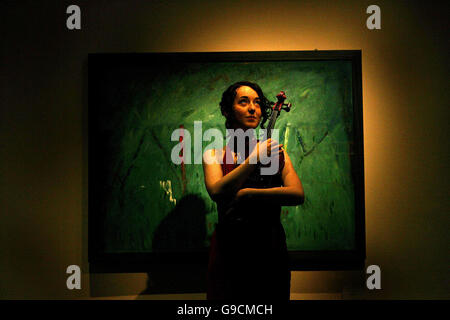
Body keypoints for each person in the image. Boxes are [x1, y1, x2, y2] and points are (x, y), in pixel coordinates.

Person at [202, 81, 305, 300]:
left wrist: (249, 194)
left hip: (270, 249)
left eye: (257, 103)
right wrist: (254, 158)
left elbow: (297, 194)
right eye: (244, 102)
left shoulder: (278, 153)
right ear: (227, 110)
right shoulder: (213, 155)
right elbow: (217, 191)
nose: (253, 108)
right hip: (229, 251)